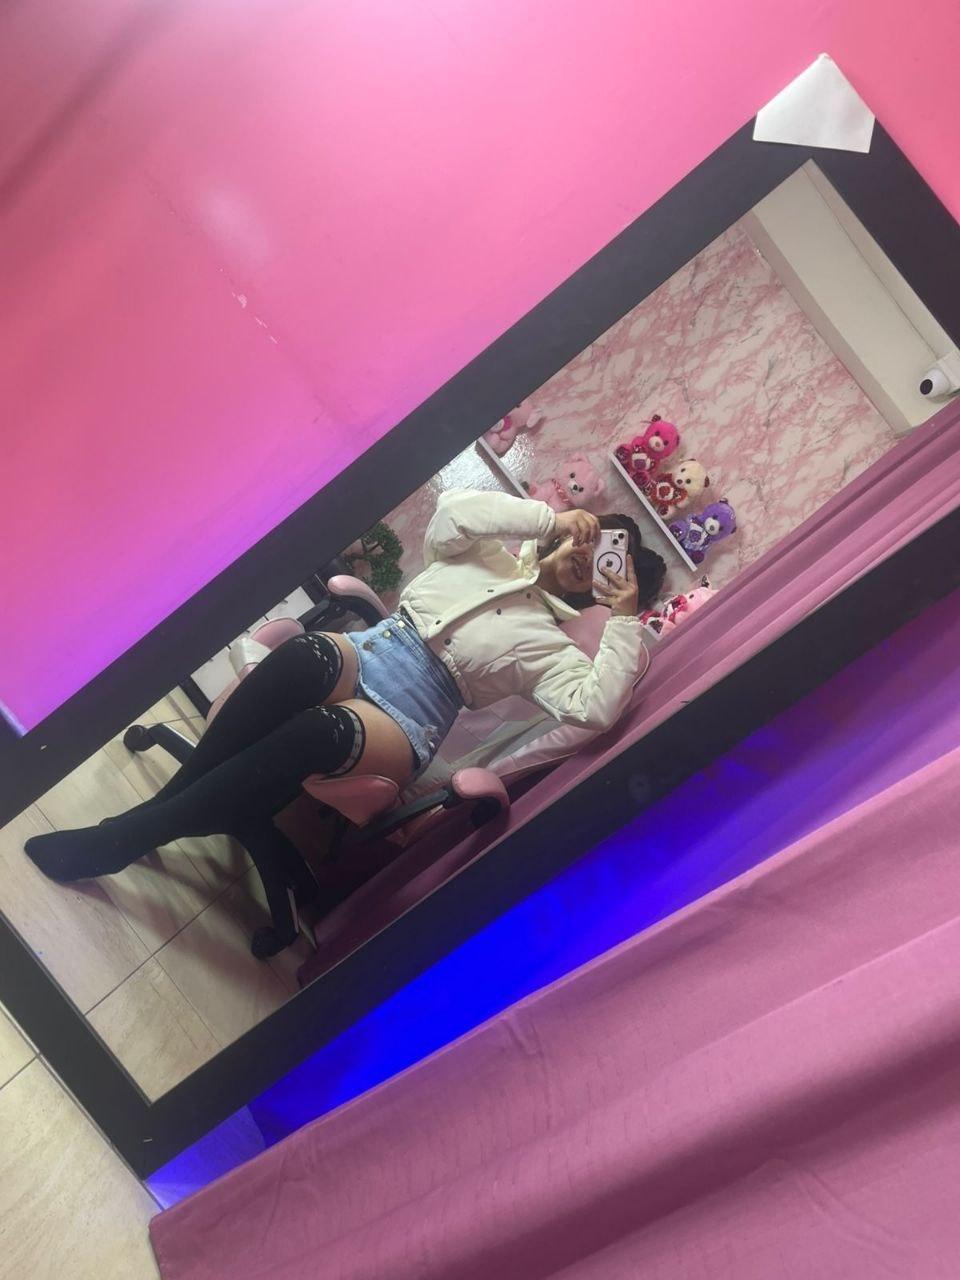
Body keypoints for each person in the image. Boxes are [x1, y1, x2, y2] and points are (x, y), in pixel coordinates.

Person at [25, 490, 666, 953]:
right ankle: (152, 822)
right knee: (305, 655)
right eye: (598, 539)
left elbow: (595, 708)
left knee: (322, 731)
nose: (592, 556)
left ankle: (128, 836)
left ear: (604, 584)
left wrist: (624, 617)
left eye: (611, 561)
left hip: (412, 714)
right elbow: (452, 513)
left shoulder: (553, 645)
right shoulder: (489, 554)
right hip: (372, 649)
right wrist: (547, 517)